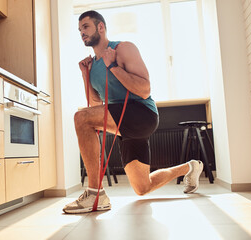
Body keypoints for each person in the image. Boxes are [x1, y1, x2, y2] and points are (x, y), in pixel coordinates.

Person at [63, 10, 204, 214]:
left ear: (100, 27)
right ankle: (190, 167)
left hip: (141, 114)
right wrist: (85, 75)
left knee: (80, 118)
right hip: (122, 120)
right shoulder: (92, 65)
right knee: (142, 187)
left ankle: (95, 193)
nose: (82, 33)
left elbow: (145, 89)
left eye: (85, 27)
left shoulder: (123, 48)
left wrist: (112, 66)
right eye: (79, 30)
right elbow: (96, 105)